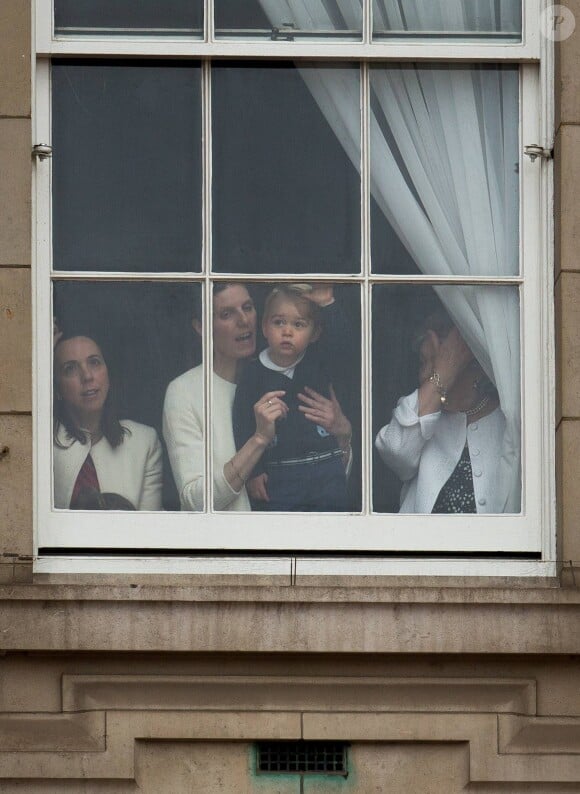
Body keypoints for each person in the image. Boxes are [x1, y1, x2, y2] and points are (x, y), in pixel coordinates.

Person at [162, 282, 354, 512]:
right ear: (202, 327)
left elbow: (329, 476)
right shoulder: (185, 391)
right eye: (226, 314)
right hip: (230, 544)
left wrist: (343, 434)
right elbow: (195, 502)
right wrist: (259, 439)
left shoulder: (297, 372)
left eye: (248, 307)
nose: (243, 320)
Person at [232, 285, 352, 511]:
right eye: (279, 322)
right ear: (265, 327)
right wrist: (254, 473)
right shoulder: (253, 373)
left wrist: (327, 304)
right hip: (280, 475)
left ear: (315, 333)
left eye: (299, 324)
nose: (287, 331)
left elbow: (343, 342)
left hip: (326, 467)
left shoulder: (319, 360)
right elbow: (242, 423)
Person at [375, 311, 506, 514]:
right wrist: (443, 376)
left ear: (473, 365)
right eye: (423, 363)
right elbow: (396, 451)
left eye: (435, 362)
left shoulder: (509, 420)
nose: (428, 375)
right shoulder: (420, 416)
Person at [53, 333, 163, 510]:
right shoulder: (41, 440)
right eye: (70, 368)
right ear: (56, 388)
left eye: (94, 362)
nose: (87, 376)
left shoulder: (144, 442)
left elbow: (147, 531)